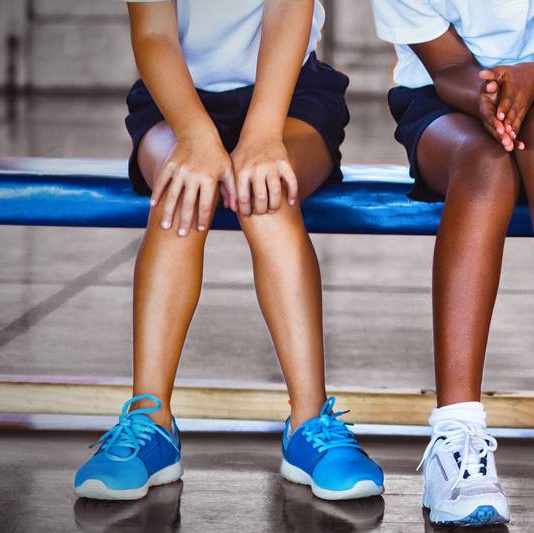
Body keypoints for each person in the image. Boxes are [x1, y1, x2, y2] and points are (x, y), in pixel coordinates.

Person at [76, 0, 381, 502]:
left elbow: (288, 12)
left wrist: (262, 136)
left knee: (268, 197)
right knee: (180, 196)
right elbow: (154, 33)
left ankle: (309, 427)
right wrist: (196, 136)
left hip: (288, 98)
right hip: (176, 100)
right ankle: (150, 424)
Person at [371, 0, 534, 522]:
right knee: (486, 164)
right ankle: (456, 430)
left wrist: (529, 81)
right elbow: (448, 67)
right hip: (448, 97)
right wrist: (491, 97)